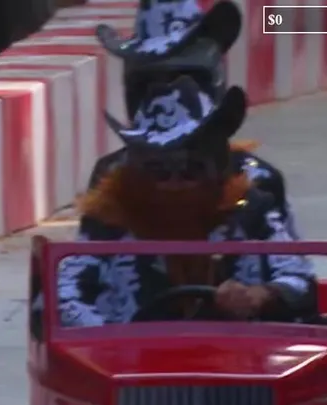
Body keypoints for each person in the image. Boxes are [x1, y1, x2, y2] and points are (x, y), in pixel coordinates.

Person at [57, 75, 314, 327]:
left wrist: (261, 295)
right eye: (159, 171)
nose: (175, 184)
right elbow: (64, 295)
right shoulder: (107, 221)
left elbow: (299, 280)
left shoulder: (252, 209)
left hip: (239, 349)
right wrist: (108, 338)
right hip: (130, 350)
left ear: (216, 170)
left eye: (191, 170)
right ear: (136, 172)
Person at [87, 0, 299, 238]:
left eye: (183, 78)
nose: (170, 94)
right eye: (151, 82)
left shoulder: (257, 181)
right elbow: (85, 255)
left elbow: (289, 259)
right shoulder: (112, 177)